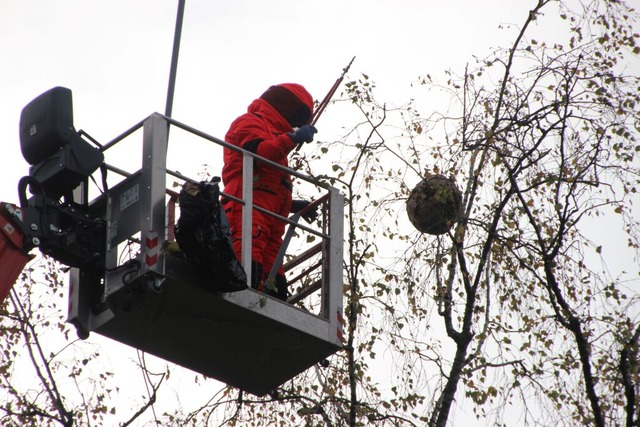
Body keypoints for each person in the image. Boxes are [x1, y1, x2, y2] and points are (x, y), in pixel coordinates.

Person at [221, 83, 317, 300]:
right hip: (246, 205)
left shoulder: (276, 136)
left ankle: (274, 298)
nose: (295, 122)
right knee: (248, 248)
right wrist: (291, 139)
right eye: (297, 115)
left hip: (271, 217)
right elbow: (258, 154)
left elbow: (271, 186)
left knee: (273, 266)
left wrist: (295, 205)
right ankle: (245, 295)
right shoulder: (249, 122)